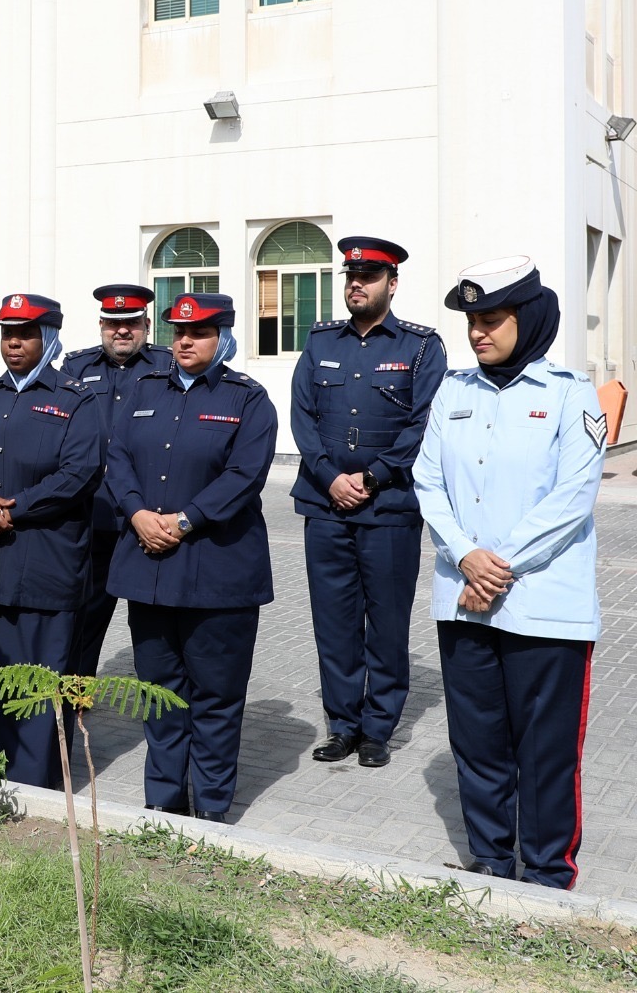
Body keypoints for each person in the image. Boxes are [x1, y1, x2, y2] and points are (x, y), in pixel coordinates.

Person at [412, 256, 603, 888]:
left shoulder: (572, 394)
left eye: (491, 319)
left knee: (545, 754)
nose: (477, 333)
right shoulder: (453, 392)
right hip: (463, 599)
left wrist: (499, 564)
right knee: (479, 743)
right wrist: (465, 555)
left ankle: (547, 878)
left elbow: (572, 496)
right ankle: (491, 865)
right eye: (472, 321)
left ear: (530, 317)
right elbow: (427, 481)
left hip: (544, 607)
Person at [104, 293, 277, 822]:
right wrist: (136, 514)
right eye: (178, 331)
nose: (184, 341)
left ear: (223, 336)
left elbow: (244, 477)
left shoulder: (248, 399)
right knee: (158, 694)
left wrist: (183, 521)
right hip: (150, 568)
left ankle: (212, 812)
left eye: (199, 332)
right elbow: (117, 459)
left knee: (216, 698)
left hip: (217, 572)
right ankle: (162, 804)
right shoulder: (140, 389)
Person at [290, 237, 446, 769]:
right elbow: (303, 419)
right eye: (350, 275)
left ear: (392, 283)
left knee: (386, 623)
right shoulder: (318, 342)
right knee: (333, 624)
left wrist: (374, 477)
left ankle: (379, 728)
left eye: (370, 275)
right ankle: (342, 725)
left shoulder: (422, 347)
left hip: (390, 510)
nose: (356, 283)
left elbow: (424, 423)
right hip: (325, 504)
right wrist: (331, 478)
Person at [0, 294, 102, 790]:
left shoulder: (78, 400)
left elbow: (80, 472)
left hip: (45, 571)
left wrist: (10, 509)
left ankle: (36, 792)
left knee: (40, 692)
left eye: (26, 333)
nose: (14, 342)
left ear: (50, 337)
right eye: (7, 332)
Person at [62, 283, 173, 676]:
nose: (121, 331)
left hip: (147, 517)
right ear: (101, 325)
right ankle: (76, 695)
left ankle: (161, 698)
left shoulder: (169, 365)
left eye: (130, 323)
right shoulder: (76, 368)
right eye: (113, 323)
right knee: (84, 615)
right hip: (95, 517)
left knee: (155, 623)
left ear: (145, 324)